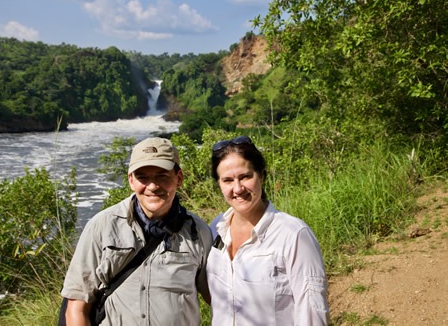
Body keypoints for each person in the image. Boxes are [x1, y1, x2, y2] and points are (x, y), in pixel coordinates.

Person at [61, 137, 213, 326]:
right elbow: (76, 307)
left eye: (162, 176)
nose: (152, 186)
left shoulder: (198, 232)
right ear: (131, 180)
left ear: (179, 178)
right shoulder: (102, 226)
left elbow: (218, 299)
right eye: (143, 177)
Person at [207, 135, 330, 325]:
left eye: (245, 177)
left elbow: (312, 313)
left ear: (261, 175)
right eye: (228, 180)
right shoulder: (215, 230)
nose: (238, 188)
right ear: (219, 184)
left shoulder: (293, 234)